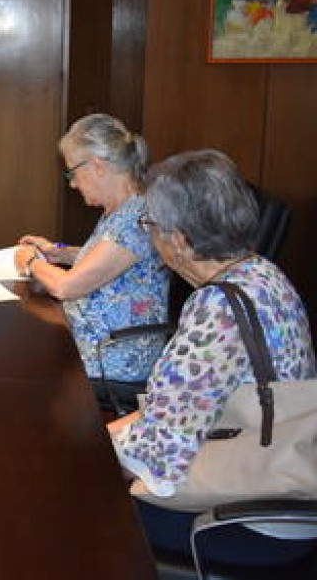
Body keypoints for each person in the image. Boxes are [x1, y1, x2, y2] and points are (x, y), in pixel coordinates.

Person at [108, 149, 316, 564]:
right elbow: (197, 405)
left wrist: (89, 448)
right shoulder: (261, 271)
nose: (149, 235)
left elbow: (157, 460)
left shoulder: (217, 310)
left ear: (179, 240)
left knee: (78, 499)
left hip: (247, 517)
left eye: (150, 224)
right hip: (281, 481)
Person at [13, 114, 169, 392]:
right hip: (91, 342)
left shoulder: (135, 221)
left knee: (17, 362)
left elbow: (66, 287)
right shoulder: (123, 208)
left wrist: (31, 261)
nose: (72, 184)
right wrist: (59, 253)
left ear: (97, 166)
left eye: (71, 173)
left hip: (114, 361)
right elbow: (110, 260)